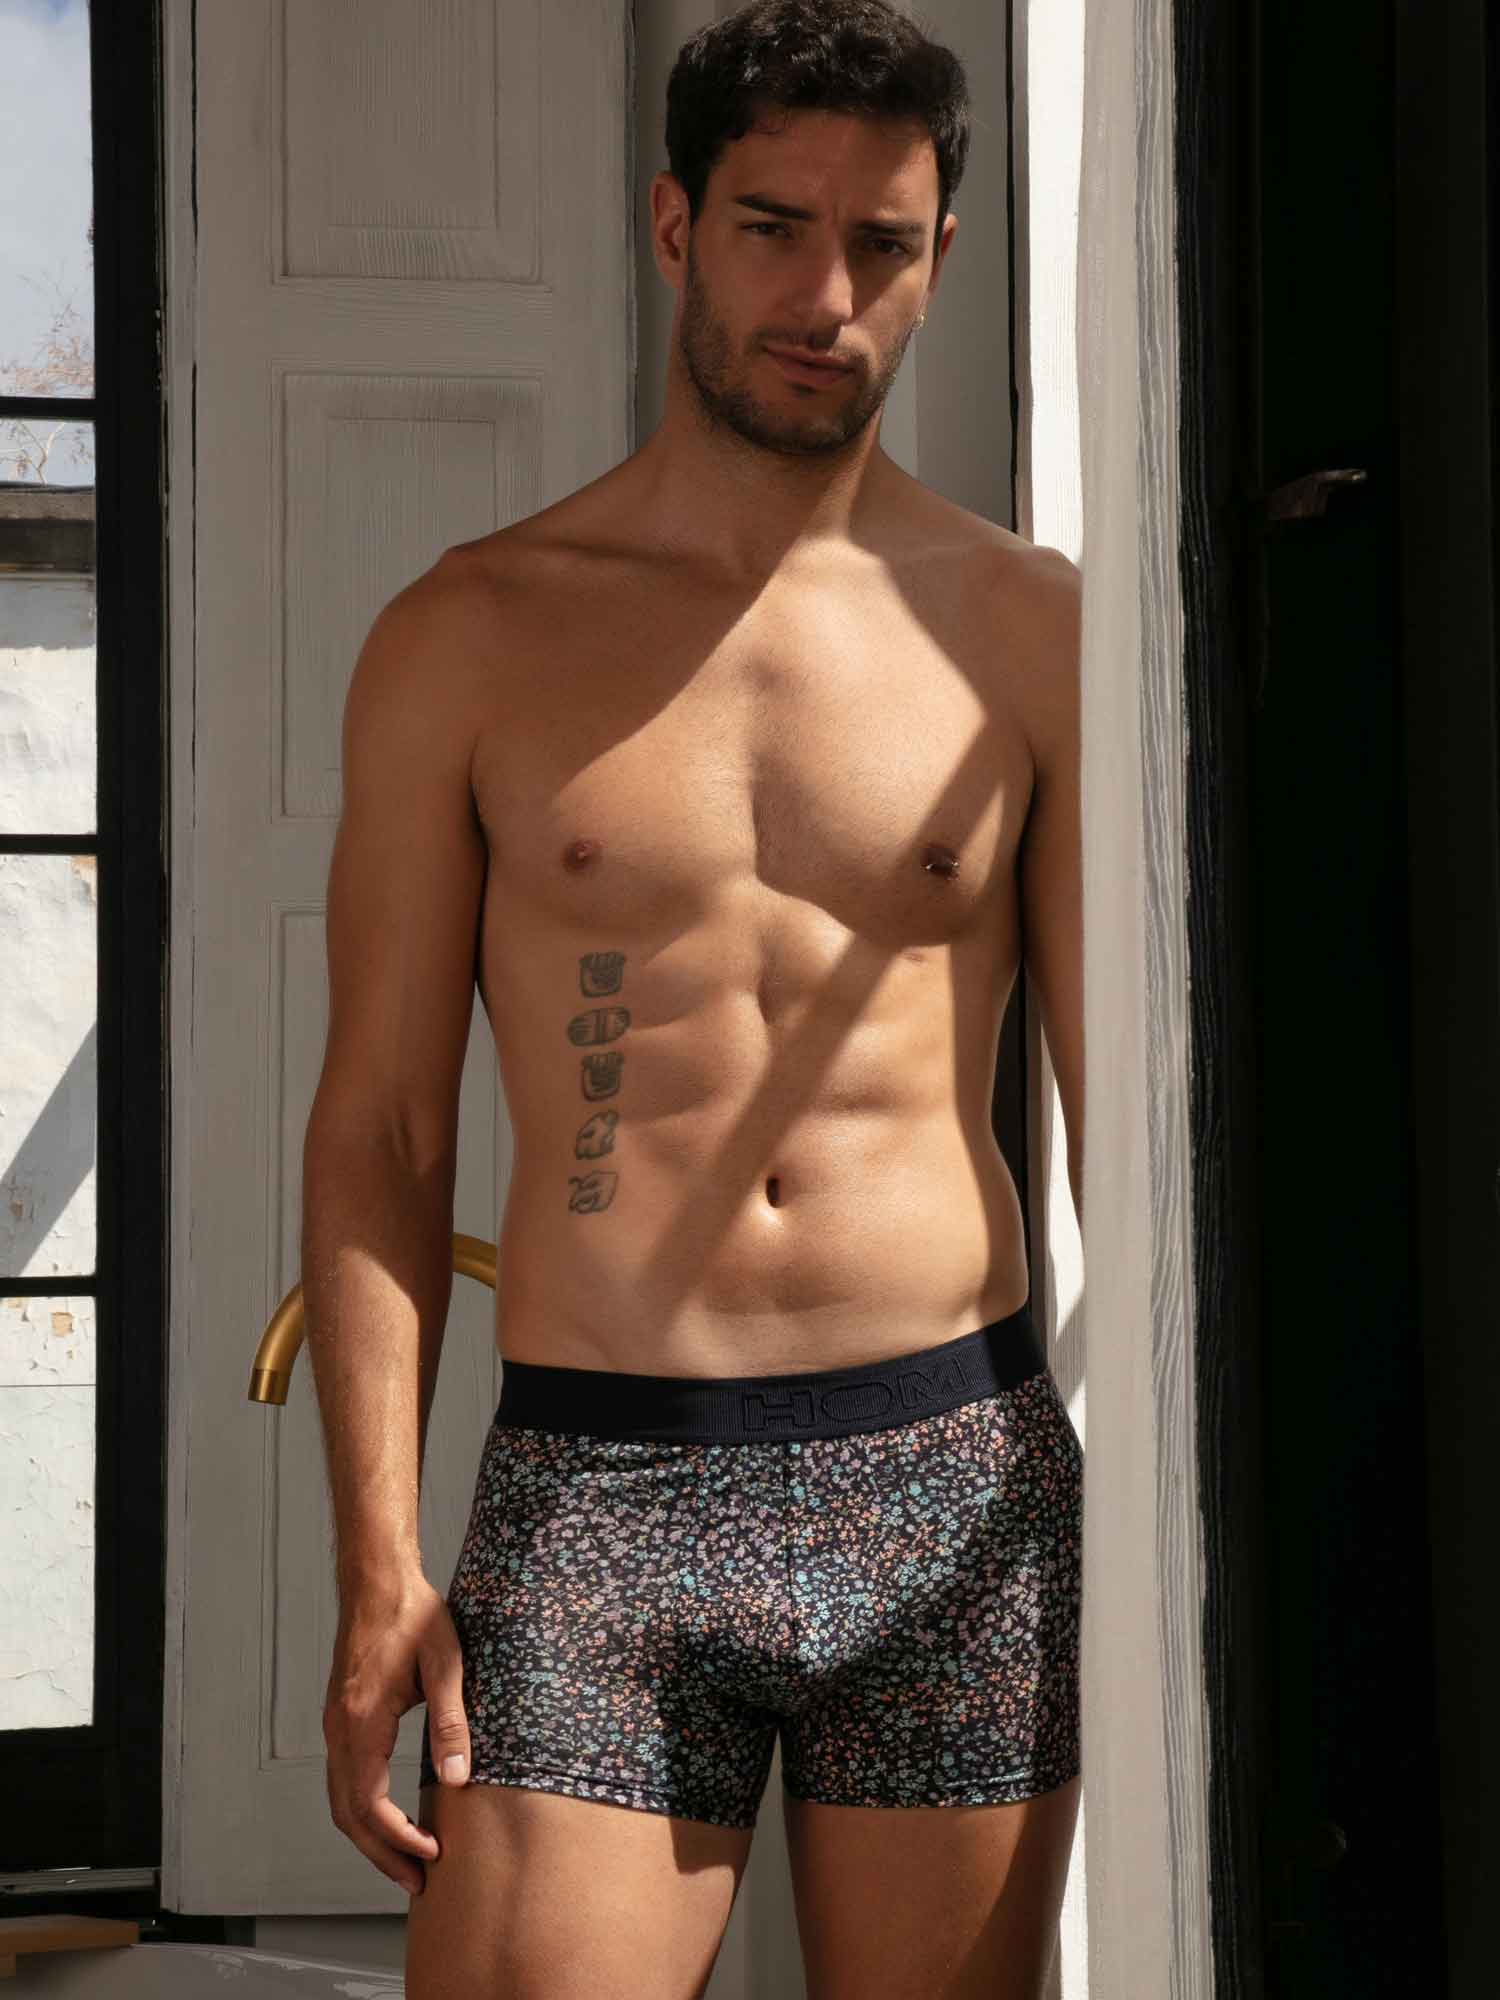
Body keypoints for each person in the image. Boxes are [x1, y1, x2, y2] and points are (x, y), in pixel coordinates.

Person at [303, 4, 1085, 1995]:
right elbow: (385, 1126)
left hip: (953, 1472)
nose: (824, 298)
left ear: (941, 259)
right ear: (674, 226)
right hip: (603, 1486)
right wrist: (378, 1554)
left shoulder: (1026, 633)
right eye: (770, 227)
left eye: (881, 244)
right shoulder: (471, 633)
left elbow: (1133, 1133)